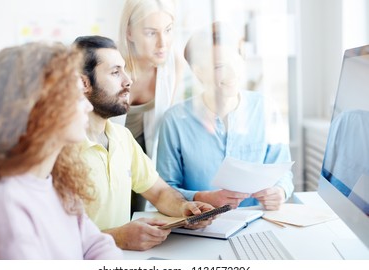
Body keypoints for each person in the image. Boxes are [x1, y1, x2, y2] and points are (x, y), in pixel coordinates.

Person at [0, 42, 122, 259]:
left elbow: (98, 246)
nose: (89, 106)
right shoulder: (1, 201)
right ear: (39, 107)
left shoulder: (58, 182)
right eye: (76, 97)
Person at [73, 35, 214, 251]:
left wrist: (186, 208)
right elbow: (51, 238)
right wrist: (117, 238)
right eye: (115, 72)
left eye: (124, 70)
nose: (128, 80)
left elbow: (158, 192)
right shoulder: (57, 151)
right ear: (84, 83)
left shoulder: (122, 138)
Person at [157, 22, 294, 211]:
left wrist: (281, 191)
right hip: (200, 226)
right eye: (220, 66)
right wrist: (201, 197)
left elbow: (283, 172)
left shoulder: (266, 108)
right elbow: (164, 189)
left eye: (236, 61)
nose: (233, 73)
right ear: (199, 71)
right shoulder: (174, 120)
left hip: (256, 222)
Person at [118, 0, 184, 213]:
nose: (162, 43)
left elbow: (166, 124)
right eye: (151, 33)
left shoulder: (173, 66)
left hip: (144, 156)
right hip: (107, 156)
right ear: (129, 33)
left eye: (168, 30)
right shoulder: (112, 64)